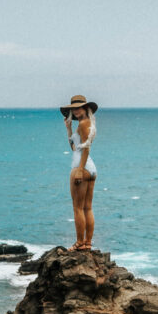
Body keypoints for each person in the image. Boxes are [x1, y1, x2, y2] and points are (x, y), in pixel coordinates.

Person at [60, 93, 98, 251]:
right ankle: (87, 243)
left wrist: (80, 170)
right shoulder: (85, 123)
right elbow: (75, 148)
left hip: (81, 167)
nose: (75, 110)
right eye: (73, 108)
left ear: (85, 108)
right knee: (87, 207)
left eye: (78, 107)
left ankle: (79, 243)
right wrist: (68, 129)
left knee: (78, 208)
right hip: (91, 169)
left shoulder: (84, 124)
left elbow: (86, 149)